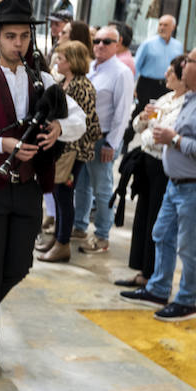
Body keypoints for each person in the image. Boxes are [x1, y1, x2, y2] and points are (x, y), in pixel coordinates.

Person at [0, 0, 86, 376]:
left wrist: (58, 128)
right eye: (10, 36)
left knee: (21, 265)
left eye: (24, 36)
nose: (18, 44)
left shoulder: (43, 80)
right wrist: (4, 144)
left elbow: (78, 121)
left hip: (27, 189)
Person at [119, 45, 196, 321]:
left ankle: (186, 301)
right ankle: (158, 288)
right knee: (161, 233)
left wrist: (174, 139)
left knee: (190, 247)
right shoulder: (195, 96)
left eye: (189, 61)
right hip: (179, 183)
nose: (183, 66)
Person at [117, 55, 189, 290]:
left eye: (170, 73)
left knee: (156, 222)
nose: (166, 76)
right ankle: (142, 270)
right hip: (147, 163)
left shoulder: (186, 104)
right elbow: (140, 125)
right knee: (142, 217)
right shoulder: (168, 98)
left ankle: (152, 273)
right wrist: (145, 118)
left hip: (163, 166)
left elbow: (161, 137)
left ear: (182, 77)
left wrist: (148, 133)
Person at [36, 41, 101, 264]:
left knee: (64, 195)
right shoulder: (64, 82)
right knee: (57, 192)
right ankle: (57, 238)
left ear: (72, 61)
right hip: (61, 147)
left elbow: (88, 123)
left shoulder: (82, 86)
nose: (57, 61)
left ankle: (63, 243)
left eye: (61, 58)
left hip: (74, 150)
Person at [72, 25, 135, 255]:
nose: (100, 45)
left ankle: (101, 235)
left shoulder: (121, 72)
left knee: (102, 189)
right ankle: (79, 226)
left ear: (116, 45)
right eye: (97, 40)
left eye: (106, 41)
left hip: (104, 138)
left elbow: (123, 112)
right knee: (81, 185)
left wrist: (112, 143)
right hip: (84, 137)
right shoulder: (90, 67)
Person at [132, 15, 183, 121]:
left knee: (161, 113)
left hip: (167, 84)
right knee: (140, 112)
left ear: (173, 27)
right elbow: (136, 65)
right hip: (147, 84)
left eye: (165, 25)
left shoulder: (178, 46)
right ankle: (127, 136)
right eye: (160, 24)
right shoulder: (148, 44)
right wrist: (133, 86)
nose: (162, 27)